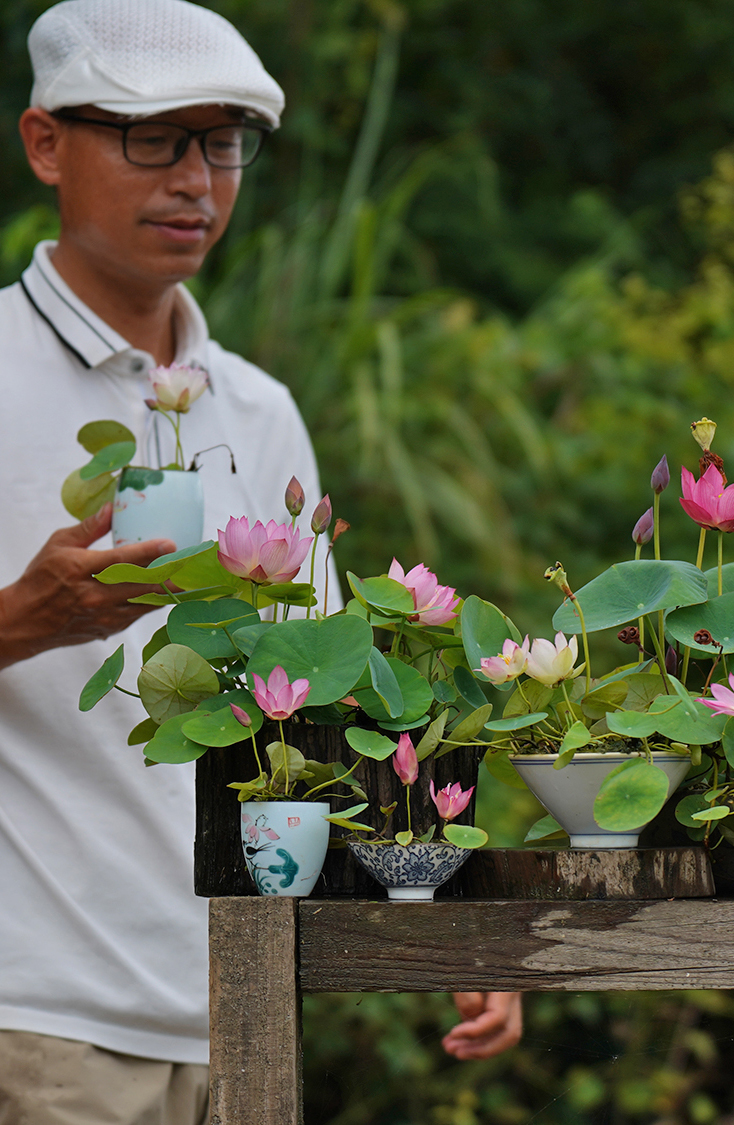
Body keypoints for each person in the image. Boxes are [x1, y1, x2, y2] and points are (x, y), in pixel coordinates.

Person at [0, 1, 521, 1121]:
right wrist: (24, 620)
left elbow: (316, 700)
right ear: (45, 143)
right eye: (154, 137)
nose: (196, 178)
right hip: (36, 1018)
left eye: (221, 140)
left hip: (244, 999)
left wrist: (440, 907)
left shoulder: (257, 408)